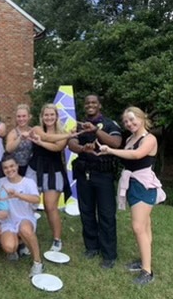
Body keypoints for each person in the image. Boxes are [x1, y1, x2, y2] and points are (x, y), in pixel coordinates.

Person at [98, 106, 165, 285]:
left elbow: (136, 155)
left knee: (138, 227)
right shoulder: (129, 138)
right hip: (132, 185)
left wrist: (111, 151)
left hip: (144, 186)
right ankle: (144, 261)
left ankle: (147, 272)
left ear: (142, 118)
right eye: (126, 121)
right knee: (145, 226)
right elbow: (127, 155)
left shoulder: (149, 139)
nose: (129, 123)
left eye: (132, 119)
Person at [68, 94, 122, 269]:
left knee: (106, 214)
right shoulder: (79, 125)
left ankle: (109, 255)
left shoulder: (109, 124)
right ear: (84, 106)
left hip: (104, 175)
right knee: (86, 211)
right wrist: (83, 148)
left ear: (99, 105)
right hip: (84, 174)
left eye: (94, 102)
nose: (90, 105)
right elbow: (71, 143)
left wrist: (96, 131)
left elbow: (116, 142)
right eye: (87, 103)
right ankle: (91, 247)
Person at [26, 104, 72, 252]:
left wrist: (40, 143)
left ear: (56, 116)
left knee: (50, 207)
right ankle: (24, 236)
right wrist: (68, 135)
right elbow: (47, 137)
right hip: (34, 169)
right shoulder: (36, 129)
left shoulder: (62, 132)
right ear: (42, 116)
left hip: (54, 170)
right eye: (46, 115)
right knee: (28, 204)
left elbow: (57, 147)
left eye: (52, 115)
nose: (49, 117)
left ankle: (57, 240)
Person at [0, 153, 44, 278]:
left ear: (17, 166)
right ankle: (19, 245)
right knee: (9, 247)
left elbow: (36, 200)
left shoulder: (28, 182)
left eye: (12, 166)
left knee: (24, 228)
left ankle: (37, 262)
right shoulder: (0, 183)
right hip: (8, 222)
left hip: (25, 219)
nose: (9, 170)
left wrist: (18, 195)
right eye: (6, 168)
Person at [5, 104, 33, 176]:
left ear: (29, 117)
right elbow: (8, 149)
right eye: (19, 116)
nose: (21, 119)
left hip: (30, 168)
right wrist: (20, 138)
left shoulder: (33, 131)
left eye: (24, 116)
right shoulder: (13, 133)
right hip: (16, 169)